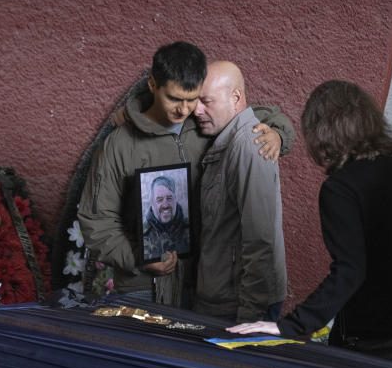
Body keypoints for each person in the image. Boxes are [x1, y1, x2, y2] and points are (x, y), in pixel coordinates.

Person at [228, 80, 392, 368]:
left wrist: (291, 326)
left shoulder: (341, 188)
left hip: (369, 343)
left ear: (322, 131)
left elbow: (350, 270)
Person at [77, 41, 294, 306]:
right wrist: (140, 257)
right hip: (143, 288)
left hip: (201, 285)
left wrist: (278, 135)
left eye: (192, 99)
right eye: (175, 99)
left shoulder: (205, 123)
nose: (184, 109)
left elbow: (263, 115)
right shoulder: (119, 144)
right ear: (153, 85)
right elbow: (96, 221)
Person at [192, 61, 286, 323]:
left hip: (237, 306)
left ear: (235, 97)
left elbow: (261, 241)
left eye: (206, 101)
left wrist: (251, 318)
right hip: (222, 297)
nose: (196, 110)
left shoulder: (248, 145)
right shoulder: (227, 137)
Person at [142, 175, 190, 261]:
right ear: (152, 204)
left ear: (176, 200)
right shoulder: (142, 233)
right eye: (159, 200)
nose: (165, 205)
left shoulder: (189, 227)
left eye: (169, 198)